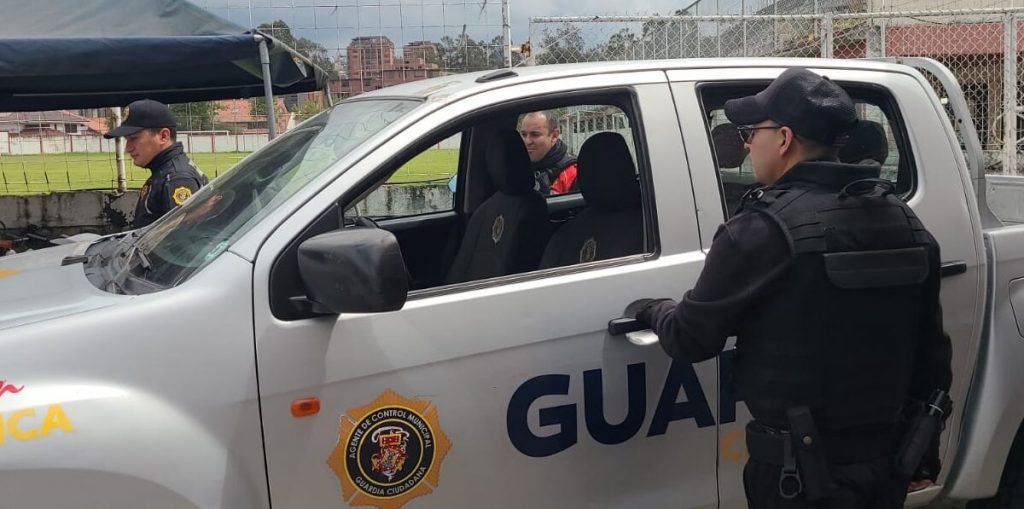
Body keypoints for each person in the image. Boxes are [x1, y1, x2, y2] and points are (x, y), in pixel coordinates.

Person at [630, 68, 952, 508]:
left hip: (796, 478)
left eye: (751, 132)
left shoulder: (762, 231)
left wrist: (653, 309)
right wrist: (922, 454)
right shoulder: (903, 221)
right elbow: (932, 354)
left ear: (783, 139)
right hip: (886, 467)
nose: (746, 143)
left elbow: (689, 337)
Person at [104, 99, 208, 228]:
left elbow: (181, 238)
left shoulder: (177, 178)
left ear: (163, 136)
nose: (127, 148)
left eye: (133, 138)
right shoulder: (165, 172)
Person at [519, 111, 578, 195]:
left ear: (554, 136)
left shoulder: (572, 173)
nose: (527, 141)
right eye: (524, 134)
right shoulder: (516, 167)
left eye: (535, 135)